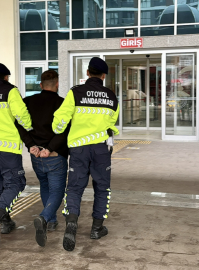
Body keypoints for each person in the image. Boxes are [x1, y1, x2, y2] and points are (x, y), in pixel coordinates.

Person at [52, 57, 119, 252]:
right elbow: (112, 123)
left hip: (79, 149)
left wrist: (59, 130)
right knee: (102, 188)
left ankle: (71, 222)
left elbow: (60, 121)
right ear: (103, 76)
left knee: (74, 187)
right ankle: (97, 228)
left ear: (88, 73)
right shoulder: (111, 96)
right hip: (101, 149)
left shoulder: (75, 93)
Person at [0, 62, 33, 246]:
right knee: (16, 183)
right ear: (6, 77)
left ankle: (5, 223)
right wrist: (32, 130)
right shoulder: (10, 91)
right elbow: (22, 114)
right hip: (6, 149)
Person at [15, 70, 69, 247]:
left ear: (40, 85)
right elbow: (65, 131)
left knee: (45, 186)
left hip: (36, 156)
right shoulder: (62, 104)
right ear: (57, 84)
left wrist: (31, 145)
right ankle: (45, 218)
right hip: (54, 156)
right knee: (57, 191)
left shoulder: (28, 101)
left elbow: (19, 124)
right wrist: (50, 148)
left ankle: (51, 220)